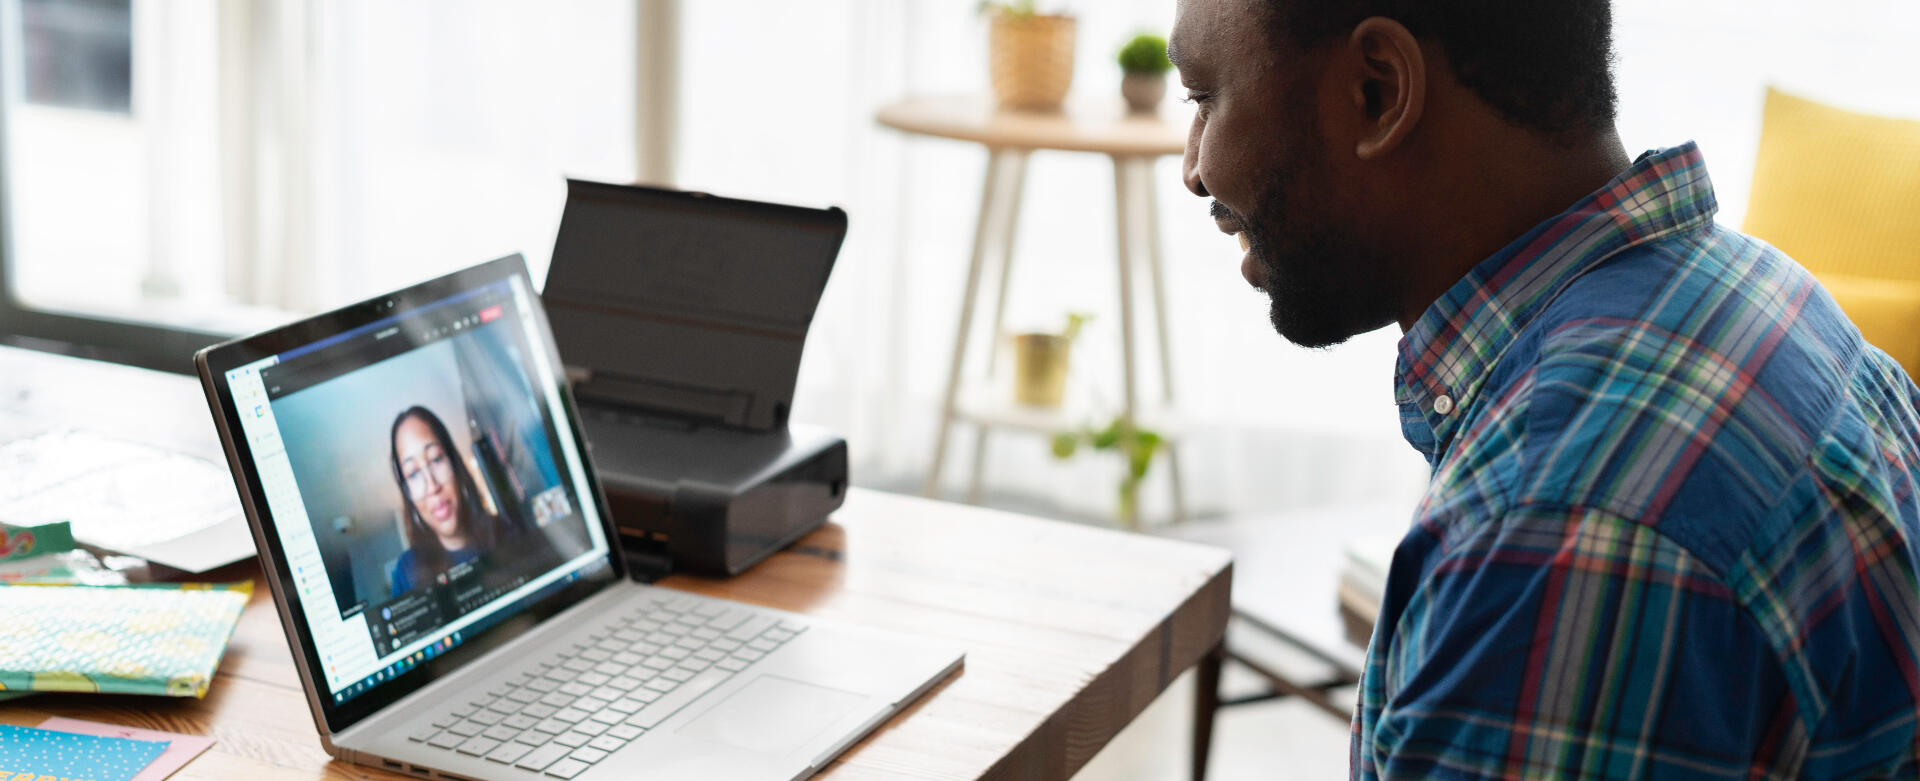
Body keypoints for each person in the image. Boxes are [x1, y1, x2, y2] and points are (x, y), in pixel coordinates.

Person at [1168, 0, 1920, 777]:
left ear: (1378, 91)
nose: (1194, 169)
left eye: (1204, 97)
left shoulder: (1552, 535)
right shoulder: (1764, 294)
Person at [387, 405, 511, 597]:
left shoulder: (505, 531)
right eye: (413, 473)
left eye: (436, 459)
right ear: (408, 494)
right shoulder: (407, 572)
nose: (432, 486)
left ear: (454, 463)